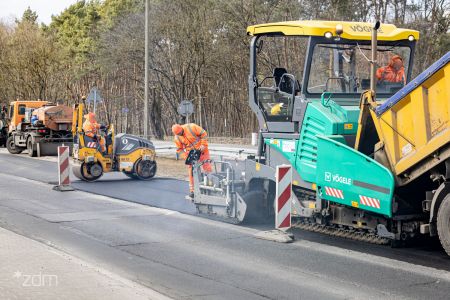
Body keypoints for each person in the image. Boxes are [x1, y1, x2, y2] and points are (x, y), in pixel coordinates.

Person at [172, 123, 212, 198]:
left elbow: (203, 133)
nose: (181, 134)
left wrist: (203, 144)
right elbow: (179, 150)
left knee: (207, 167)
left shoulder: (191, 127)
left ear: (181, 128)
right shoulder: (177, 138)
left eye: (181, 132)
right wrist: (186, 157)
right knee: (192, 172)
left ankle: (210, 185)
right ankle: (193, 191)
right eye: (179, 134)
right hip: (192, 154)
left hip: (202, 150)